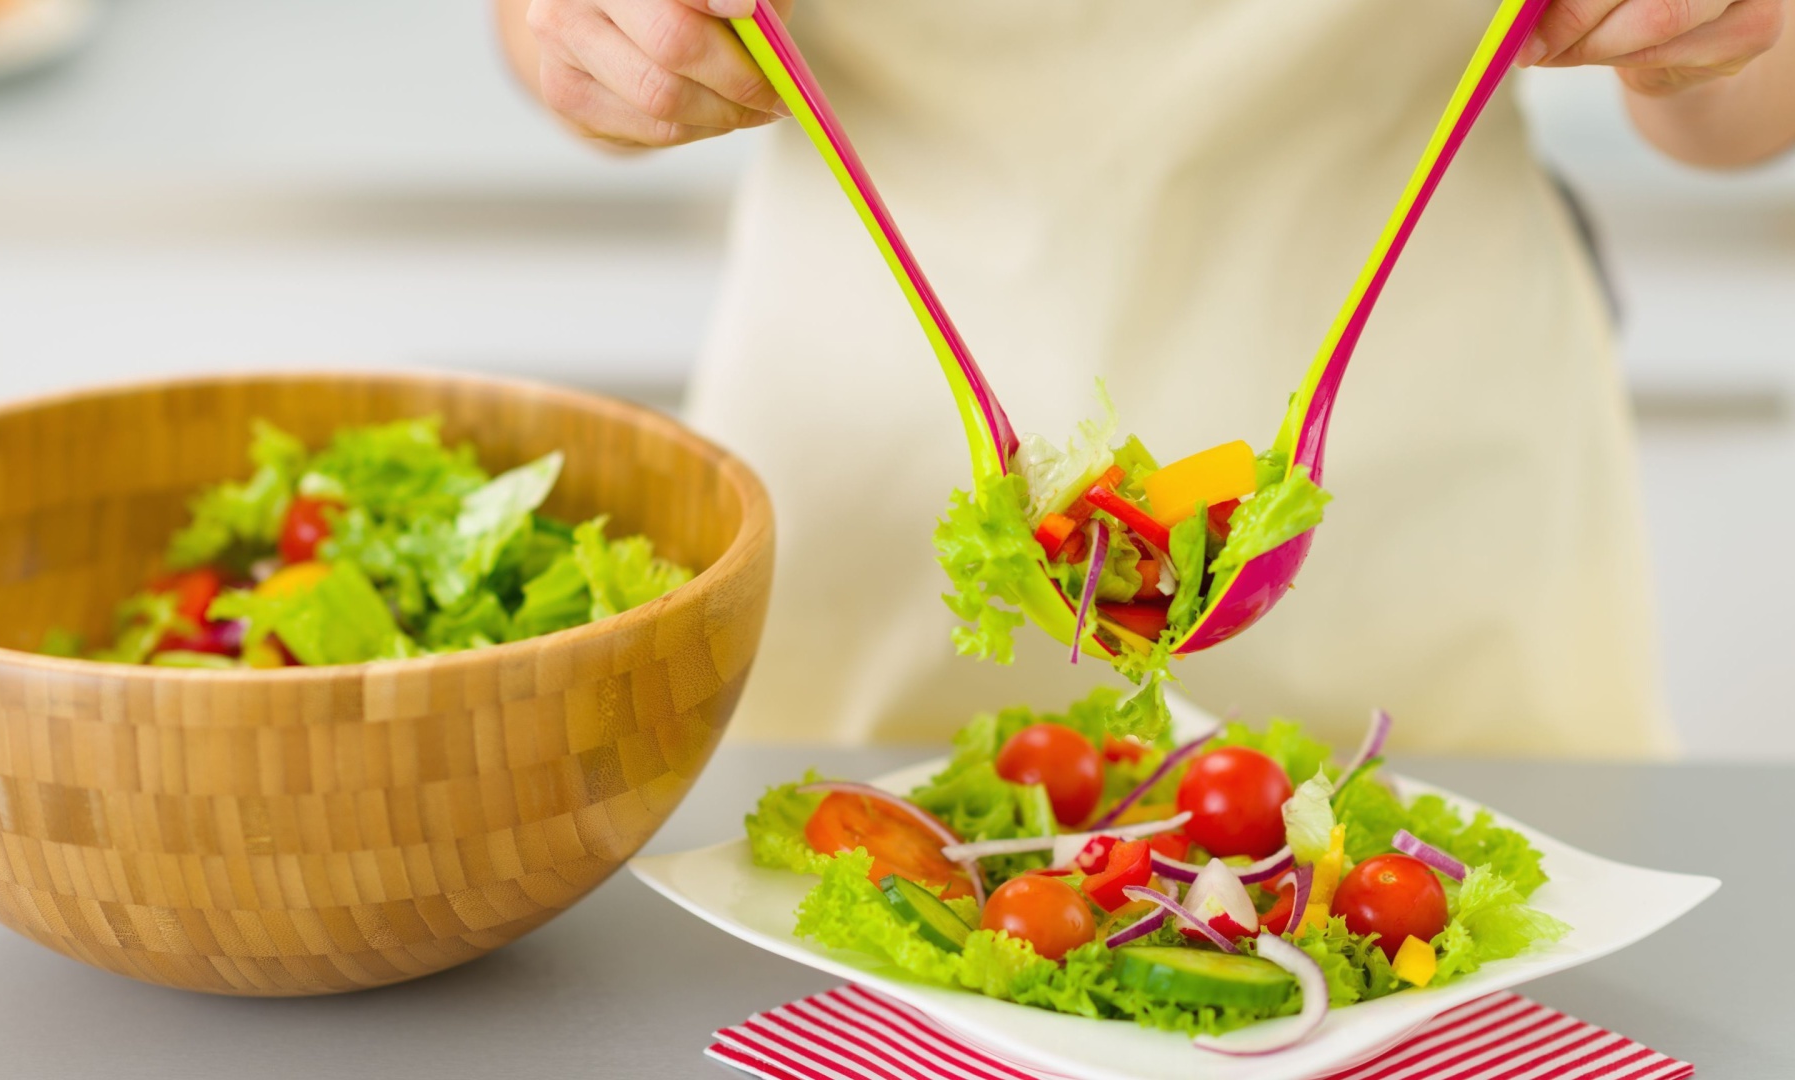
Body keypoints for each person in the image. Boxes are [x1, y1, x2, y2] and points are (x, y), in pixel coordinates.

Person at [498, 0, 1795, 754]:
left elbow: (1736, 107)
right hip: (860, 517)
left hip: (1439, 539)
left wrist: (1715, 31)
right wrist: (593, 38)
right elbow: (560, 35)